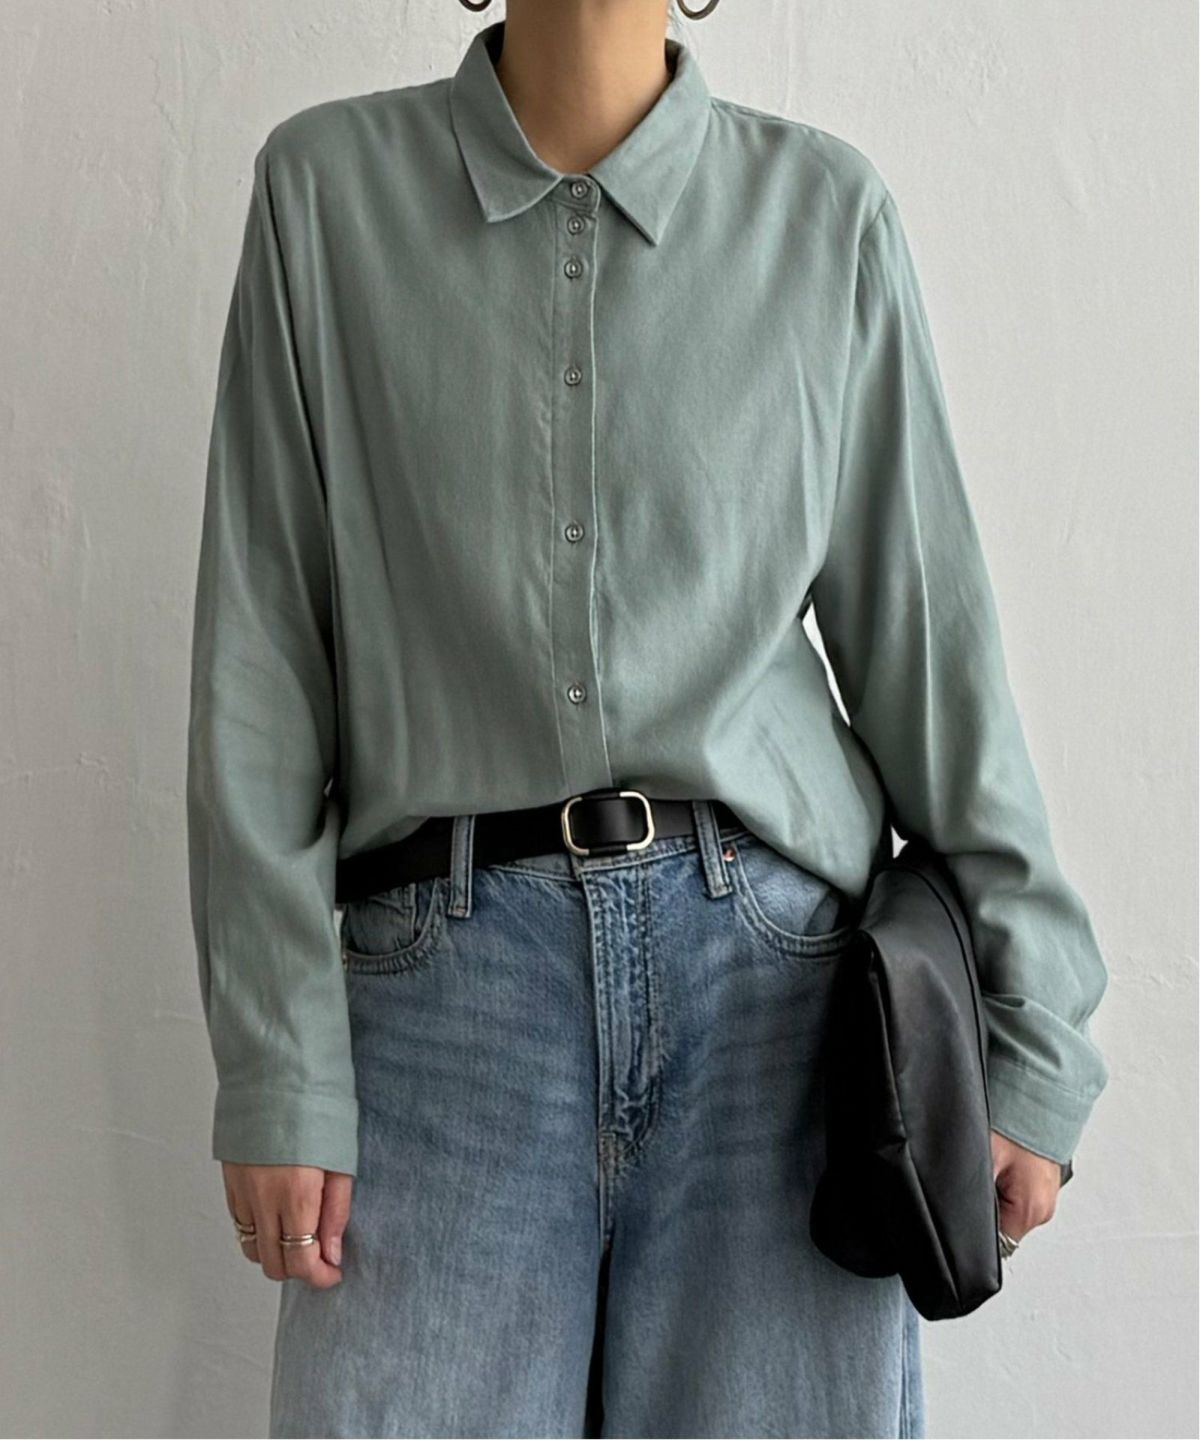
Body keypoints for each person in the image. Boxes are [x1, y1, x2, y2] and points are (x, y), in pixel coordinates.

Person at [185, 1, 1110, 1435]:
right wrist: (275, 1063)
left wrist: (1034, 1020)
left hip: (777, 1013)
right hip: (440, 1005)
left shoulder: (823, 216)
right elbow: (261, 663)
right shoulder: (325, 197)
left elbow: (935, 654)